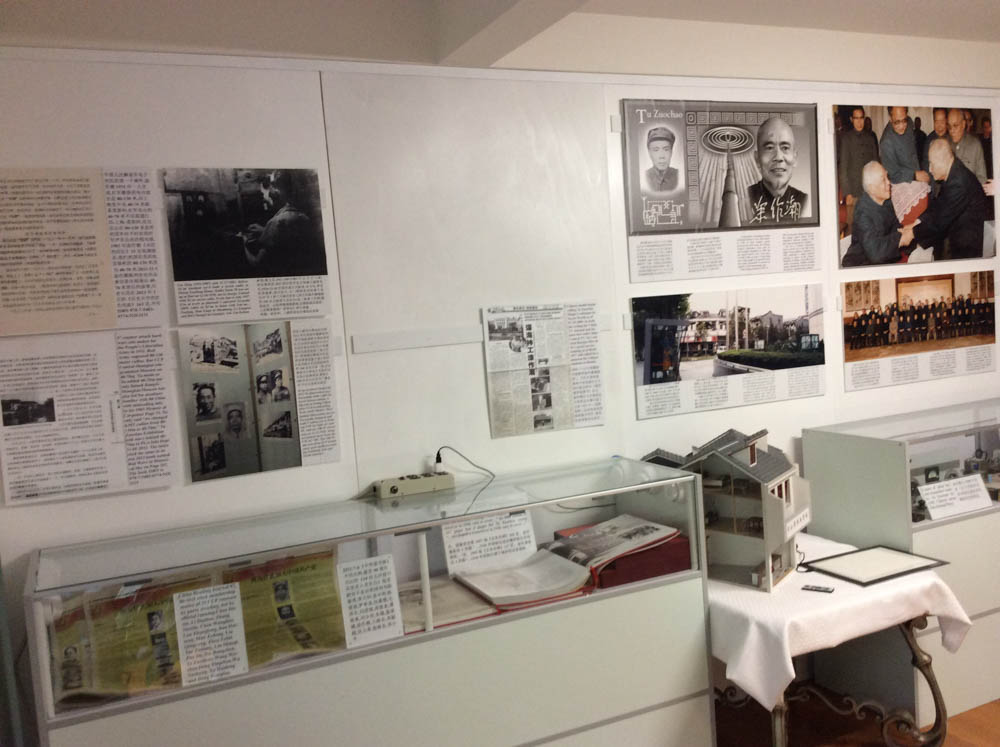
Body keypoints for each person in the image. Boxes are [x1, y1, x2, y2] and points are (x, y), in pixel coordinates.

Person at [906, 139, 986, 260]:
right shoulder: (953, 170)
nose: (930, 169)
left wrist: (912, 233)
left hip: (969, 244)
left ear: (943, 161)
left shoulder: (959, 182)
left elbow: (939, 221)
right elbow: (939, 204)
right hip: (958, 231)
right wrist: (917, 222)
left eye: (932, 163)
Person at [242, 170, 323, 277]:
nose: (264, 193)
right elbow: (287, 234)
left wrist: (243, 241)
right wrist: (265, 230)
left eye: (268, 186)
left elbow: (257, 264)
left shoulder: (277, 222)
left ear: (277, 191)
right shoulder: (304, 213)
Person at [842, 162, 909, 266]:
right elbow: (875, 254)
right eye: (883, 180)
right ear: (872, 188)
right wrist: (900, 237)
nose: (889, 182)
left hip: (885, 260)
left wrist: (907, 234)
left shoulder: (886, 201)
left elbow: (896, 227)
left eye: (887, 177)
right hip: (861, 265)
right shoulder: (862, 213)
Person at [748, 117, 807, 224]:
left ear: (795, 158)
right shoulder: (743, 199)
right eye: (770, 148)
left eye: (785, 148)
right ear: (757, 159)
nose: (778, 157)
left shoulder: (805, 202)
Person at [839, 107, 880, 232]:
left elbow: (876, 165)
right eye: (856, 118)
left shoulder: (870, 138)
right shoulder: (846, 138)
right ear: (851, 119)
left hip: (869, 192)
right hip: (854, 191)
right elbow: (843, 168)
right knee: (852, 228)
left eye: (861, 118)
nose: (859, 122)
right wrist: (847, 193)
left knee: (870, 226)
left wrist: (876, 189)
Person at [879, 107, 930, 185]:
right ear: (890, 118)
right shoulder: (886, 143)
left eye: (904, 120)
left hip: (918, 174)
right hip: (901, 184)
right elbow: (893, 175)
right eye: (897, 122)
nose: (902, 126)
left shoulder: (909, 122)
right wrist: (914, 175)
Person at [947, 108, 987, 184]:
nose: (951, 130)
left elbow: (982, 178)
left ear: (963, 124)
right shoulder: (945, 144)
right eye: (949, 126)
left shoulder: (975, 145)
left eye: (955, 126)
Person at [642, 127, 680, 194]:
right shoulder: (643, 177)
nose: (661, 156)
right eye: (656, 150)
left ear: (671, 152)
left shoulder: (680, 176)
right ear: (649, 153)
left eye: (666, 149)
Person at [922, 108, 949, 172]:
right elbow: (925, 164)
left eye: (942, 122)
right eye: (936, 122)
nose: (939, 126)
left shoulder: (952, 137)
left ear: (947, 121)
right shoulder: (929, 140)